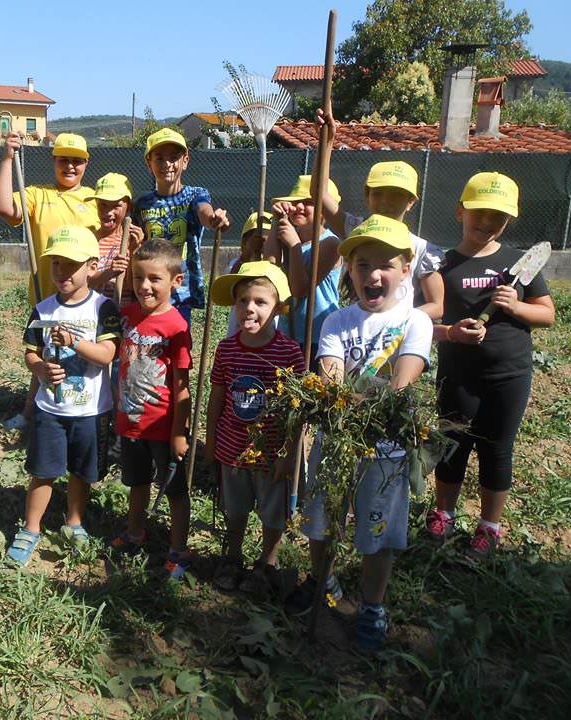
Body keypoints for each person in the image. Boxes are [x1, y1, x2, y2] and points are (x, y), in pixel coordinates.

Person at [288, 214, 433, 653]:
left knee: (378, 535)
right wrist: (348, 395)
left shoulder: (415, 324)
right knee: (321, 523)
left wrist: (355, 395)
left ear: (406, 270)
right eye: (363, 264)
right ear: (349, 269)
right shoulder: (335, 322)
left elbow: (401, 386)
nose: (374, 274)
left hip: (385, 454)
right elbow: (331, 381)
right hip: (335, 445)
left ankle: (372, 606)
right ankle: (324, 581)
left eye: (386, 265)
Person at [427, 173, 555, 557]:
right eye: (479, 213)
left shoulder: (518, 264)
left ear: (509, 221)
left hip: (508, 376)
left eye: (497, 217)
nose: (486, 222)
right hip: (458, 375)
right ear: (460, 211)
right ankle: (443, 514)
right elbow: (424, 325)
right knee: (452, 445)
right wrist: (451, 332)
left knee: (498, 449)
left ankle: (489, 527)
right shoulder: (443, 264)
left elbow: (546, 315)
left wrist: (515, 305)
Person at [7, 226, 121, 565]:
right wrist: (40, 369)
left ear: (91, 265)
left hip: (90, 411)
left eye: (71, 264)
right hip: (50, 409)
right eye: (56, 263)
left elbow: (107, 355)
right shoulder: (43, 310)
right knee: (42, 470)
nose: (62, 272)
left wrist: (73, 342)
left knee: (81, 472)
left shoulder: (104, 308)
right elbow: (30, 353)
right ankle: (31, 528)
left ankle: (75, 522)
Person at [205, 261, 305, 593]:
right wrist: (211, 440)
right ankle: (233, 559)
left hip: (271, 454)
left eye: (260, 301)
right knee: (235, 511)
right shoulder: (227, 349)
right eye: (243, 300)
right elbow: (217, 396)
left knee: (272, 515)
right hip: (232, 449)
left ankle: (267, 564)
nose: (249, 307)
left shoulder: (289, 352)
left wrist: (290, 454)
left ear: (277, 307)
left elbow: (297, 411)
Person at [0, 132, 100, 429]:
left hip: (84, 299)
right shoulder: (37, 194)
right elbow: (3, 207)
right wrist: (7, 158)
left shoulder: (93, 200)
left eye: (77, 161)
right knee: (42, 354)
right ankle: (33, 413)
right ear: (53, 161)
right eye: (63, 159)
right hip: (46, 294)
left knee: (82, 354)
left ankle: (83, 411)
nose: (70, 166)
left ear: (86, 163)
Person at [111, 239, 193, 579]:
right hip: (129, 420)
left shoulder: (177, 328)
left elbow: (181, 385)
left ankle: (178, 549)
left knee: (174, 489)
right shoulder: (127, 316)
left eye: (154, 279)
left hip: (162, 425)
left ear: (175, 282)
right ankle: (135, 533)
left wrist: (179, 431)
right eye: (138, 277)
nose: (144, 286)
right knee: (137, 481)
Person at [314, 108, 444, 320]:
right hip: (355, 338)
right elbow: (319, 193)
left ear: (411, 202)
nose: (385, 202)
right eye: (378, 193)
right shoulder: (356, 231)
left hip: (397, 344)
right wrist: (326, 142)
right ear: (367, 196)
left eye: (396, 195)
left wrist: (394, 319)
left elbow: (437, 305)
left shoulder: (422, 248)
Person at [134, 128, 229, 325]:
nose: (167, 164)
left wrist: (214, 218)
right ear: (148, 163)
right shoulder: (142, 204)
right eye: (159, 158)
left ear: (185, 161)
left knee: (178, 346)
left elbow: (204, 211)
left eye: (174, 157)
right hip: (148, 289)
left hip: (182, 290)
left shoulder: (195, 195)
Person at [264, 175, 343, 366]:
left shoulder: (330, 243)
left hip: (318, 336)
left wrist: (294, 247)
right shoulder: (291, 236)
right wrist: (276, 222)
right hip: (288, 333)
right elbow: (270, 266)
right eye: (295, 201)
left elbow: (301, 289)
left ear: (325, 210)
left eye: (308, 202)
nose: (299, 206)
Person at [87, 172, 144, 307]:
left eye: (116, 205)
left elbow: (136, 287)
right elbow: (83, 282)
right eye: (103, 205)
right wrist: (109, 273)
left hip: (123, 318)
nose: (108, 212)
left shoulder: (134, 240)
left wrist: (134, 250)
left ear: (128, 206)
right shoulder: (89, 240)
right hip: (93, 314)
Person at [226, 212, 273, 337]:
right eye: (257, 240)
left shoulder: (275, 267)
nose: (262, 245)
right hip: (238, 331)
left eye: (268, 241)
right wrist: (249, 254)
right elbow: (231, 284)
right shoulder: (237, 264)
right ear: (244, 243)